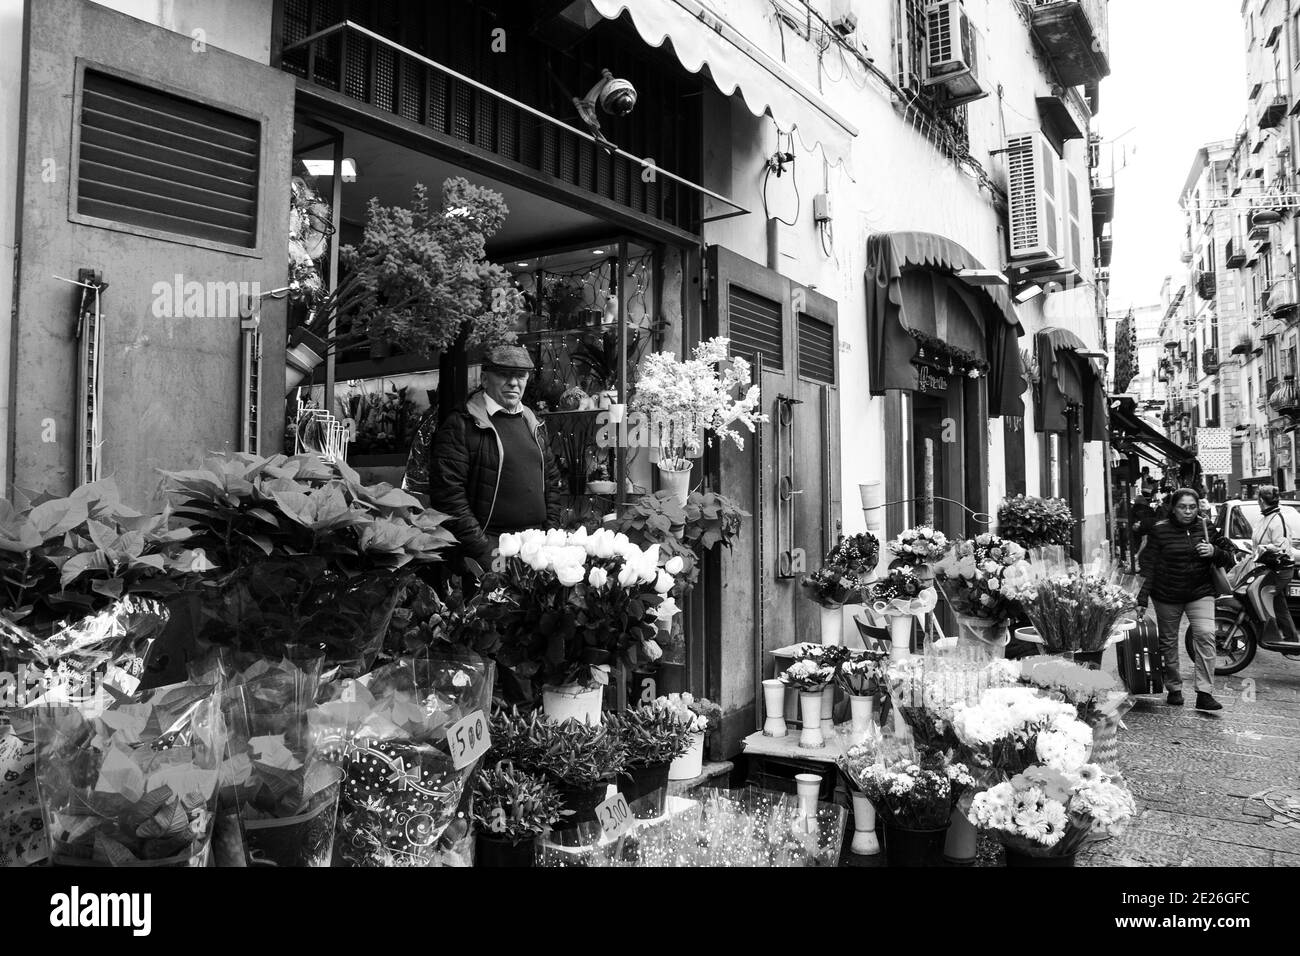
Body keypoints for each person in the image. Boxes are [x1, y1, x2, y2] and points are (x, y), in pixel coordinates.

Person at [403, 345, 561, 574]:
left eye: (520, 375)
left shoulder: (533, 422)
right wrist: (482, 549)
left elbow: (552, 480)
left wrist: (550, 535)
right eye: (504, 375)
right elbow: (448, 496)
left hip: (537, 548)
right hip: (489, 547)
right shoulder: (462, 423)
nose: (514, 383)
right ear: (485, 379)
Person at [1137, 487, 1235, 711]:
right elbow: (1148, 566)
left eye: (1192, 506)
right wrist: (1142, 598)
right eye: (1183, 507)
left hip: (1200, 592)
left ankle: (1205, 692)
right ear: (1173, 508)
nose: (1188, 511)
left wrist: (1214, 551)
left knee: (1206, 634)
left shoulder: (1206, 526)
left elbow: (1229, 554)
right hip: (1166, 594)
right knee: (1168, 642)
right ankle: (1174, 687)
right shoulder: (1159, 530)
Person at [1251, 484, 1300, 645]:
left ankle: (1268, 636)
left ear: (1260, 500)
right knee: (1279, 604)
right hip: (1270, 568)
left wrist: (1264, 549)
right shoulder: (1266, 518)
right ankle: (1291, 639)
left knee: (1262, 596)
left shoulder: (1277, 520)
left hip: (1280, 569)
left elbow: (1282, 547)